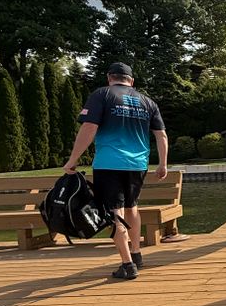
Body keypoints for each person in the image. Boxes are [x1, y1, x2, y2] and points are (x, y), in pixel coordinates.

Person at [63, 62, 168, 279]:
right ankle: (136, 253)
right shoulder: (147, 102)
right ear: (131, 81)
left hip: (109, 163)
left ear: (110, 77)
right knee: (132, 207)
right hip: (138, 164)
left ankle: (127, 264)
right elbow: (161, 135)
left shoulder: (102, 95)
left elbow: (89, 127)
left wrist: (73, 160)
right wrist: (163, 164)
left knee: (114, 212)